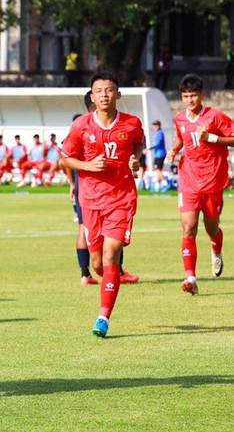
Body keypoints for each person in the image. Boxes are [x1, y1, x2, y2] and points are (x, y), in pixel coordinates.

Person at [62, 71, 144, 337]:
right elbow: (65, 159)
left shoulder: (131, 124)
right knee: (98, 263)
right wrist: (87, 165)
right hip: (91, 200)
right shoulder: (81, 127)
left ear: (118, 94)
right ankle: (102, 275)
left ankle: (103, 318)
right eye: (99, 91)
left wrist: (135, 160)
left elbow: (138, 145)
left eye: (109, 90)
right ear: (92, 96)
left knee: (111, 255)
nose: (104, 95)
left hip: (121, 198)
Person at [166, 73, 234, 295]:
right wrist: (175, 150)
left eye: (193, 95)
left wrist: (212, 139)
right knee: (188, 228)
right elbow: (181, 136)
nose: (189, 100)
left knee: (211, 228)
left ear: (202, 95)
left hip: (213, 181)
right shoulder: (179, 119)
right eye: (185, 96)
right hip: (188, 181)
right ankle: (191, 278)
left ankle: (216, 248)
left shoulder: (215, 117)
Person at [149, 120, 167, 184]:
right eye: (154, 125)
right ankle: (158, 184)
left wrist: (149, 149)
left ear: (159, 126)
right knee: (159, 169)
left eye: (156, 125)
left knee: (156, 169)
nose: (155, 127)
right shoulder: (159, 133)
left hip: (160, 154)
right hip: (159, 154)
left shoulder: (160, 133)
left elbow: (157, 144)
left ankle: (164, 182)